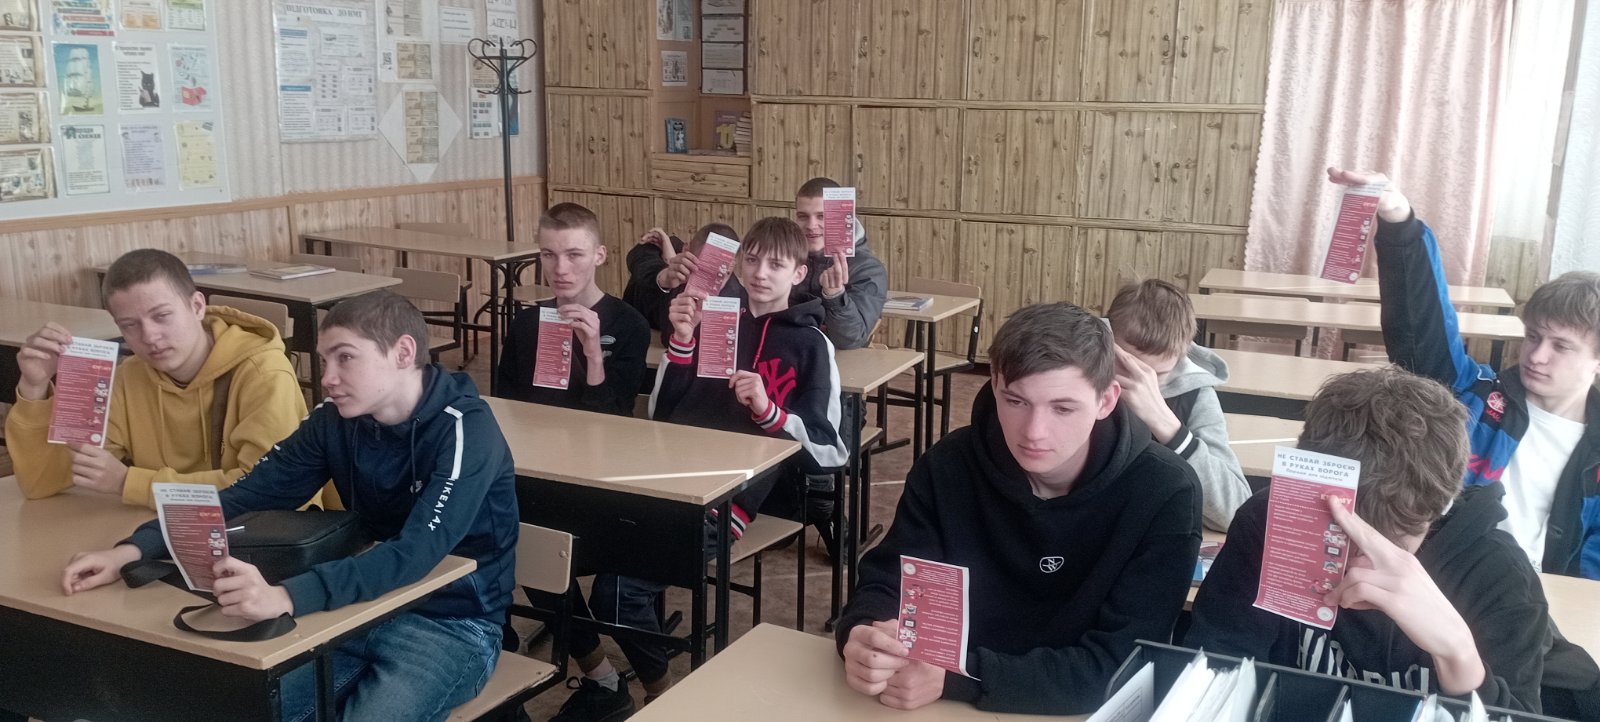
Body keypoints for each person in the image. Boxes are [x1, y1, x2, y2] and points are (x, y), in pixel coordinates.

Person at [59, 290, 519, 721]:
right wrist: (134, 549)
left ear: (402, 353)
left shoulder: (466, 430)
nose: (328, 378)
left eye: (345, 357)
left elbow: (415, 552)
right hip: (356, 610)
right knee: (243, 710)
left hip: (454, 623)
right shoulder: (333, 421)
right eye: (324, 360)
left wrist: (286, 597)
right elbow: (244, 496)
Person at [836, 301, 1201, 714]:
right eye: (1016, 401)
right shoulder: (947, 466)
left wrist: (960, 677)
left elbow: (1122, 666)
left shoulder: (1165, 492)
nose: (1034, 432)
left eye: (1063, 408)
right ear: (994, 385)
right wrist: (862, 635)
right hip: (936, 702)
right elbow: (888, 585)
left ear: (1107, 400)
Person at [549, 217, 848, 722]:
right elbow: (663, 415)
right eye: (751, 260)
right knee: (542, 553)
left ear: (799, 274)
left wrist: (770, 412)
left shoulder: (811, 344)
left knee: (615, 594)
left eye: (776, 265)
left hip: (722, 502)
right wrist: (683, 341)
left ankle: (662, 696)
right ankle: (603, 678)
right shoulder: (716, 320)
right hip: (661, 483)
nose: (760, 273)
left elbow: (830, 451)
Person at [1341, 166, 1600, 717]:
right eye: (1533, 337)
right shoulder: (1478, 397)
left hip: (1538, 615)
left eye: (1561, 346)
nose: (1537, 355)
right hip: (1448, 581)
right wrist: (1399, 222)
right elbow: (1421, 332)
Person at [1187, 366, 1549, 711]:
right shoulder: (1267, 524)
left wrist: (1459, 655)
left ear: (1438, 509)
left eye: (1386, 542)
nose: (1354, 563)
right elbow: (1217, 668)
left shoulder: (1500, 576)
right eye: (1335, 532)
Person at [6, 249, 309, 507]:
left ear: (197, 307)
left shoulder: (264, 374)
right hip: (159, 532)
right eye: (130, 325)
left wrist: (129, 482)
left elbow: (267, 491)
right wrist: (34, 388)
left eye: (162, 316)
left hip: (261, 539)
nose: (149, 336)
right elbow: (42, 482)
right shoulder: (127, 378)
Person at [1106, 278, 1250, 530]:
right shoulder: (1084, 367)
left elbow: (1234, 512)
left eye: (1159, 375)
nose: (1144, 385)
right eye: (1132, 368)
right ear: (1109, 343)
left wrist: (1167, 426)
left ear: (1181, 355)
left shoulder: (1195, 395)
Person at [497, 202, 649, 417]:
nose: (560, 269)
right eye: (549, 254)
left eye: (574, 255)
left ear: (599, 256)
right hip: (533, 434)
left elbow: (616, 417)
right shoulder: (526, 322)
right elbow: (505, 403)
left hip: (598, 435)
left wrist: (594, 357)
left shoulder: (629, 324)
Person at [791, 177, 887, 351]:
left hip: (840, 359)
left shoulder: (868, 268)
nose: (811, 225)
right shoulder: (787, 257)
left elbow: (850, 340)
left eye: (822, 216)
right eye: (803, 216)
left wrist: (835, 296)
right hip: (789, 352)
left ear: (843, 219)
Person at [621, 222, 743, 334]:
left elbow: (675, 334)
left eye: (724, 273)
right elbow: (637, 256)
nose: (713, 281)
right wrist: (664, 276)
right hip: (630, 323)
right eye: (704, 269)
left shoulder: (734, 295)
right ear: (685, 250)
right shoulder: (670, 246)